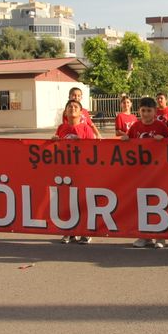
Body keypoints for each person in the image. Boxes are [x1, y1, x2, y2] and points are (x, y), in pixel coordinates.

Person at [121, 97, 168, 249]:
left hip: (158, 172)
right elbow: (129, 143)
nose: (146, 113)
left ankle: (161, 237)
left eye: (149, 111)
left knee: (159, 203)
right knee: (142, 203)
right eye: (143, 110)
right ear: (139, 111)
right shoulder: (135, 127)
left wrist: (163, 139)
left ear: (155, 112)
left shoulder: (161, 126)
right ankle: (144, 236)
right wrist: (125, 139)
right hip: (140, 172)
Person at [53, 99, 96, 244]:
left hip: (81, 170)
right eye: (69, 107)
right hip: (65, 170)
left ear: (81, 112)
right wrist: (53, 141)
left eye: (75, 106)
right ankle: (69, 231)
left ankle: (85, 231)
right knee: (66, 200)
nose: (72, 108)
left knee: (83, 201)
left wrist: (82, 144)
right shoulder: (61, 128)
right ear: (65, 111)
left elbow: (93, 150)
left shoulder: (86, 129)